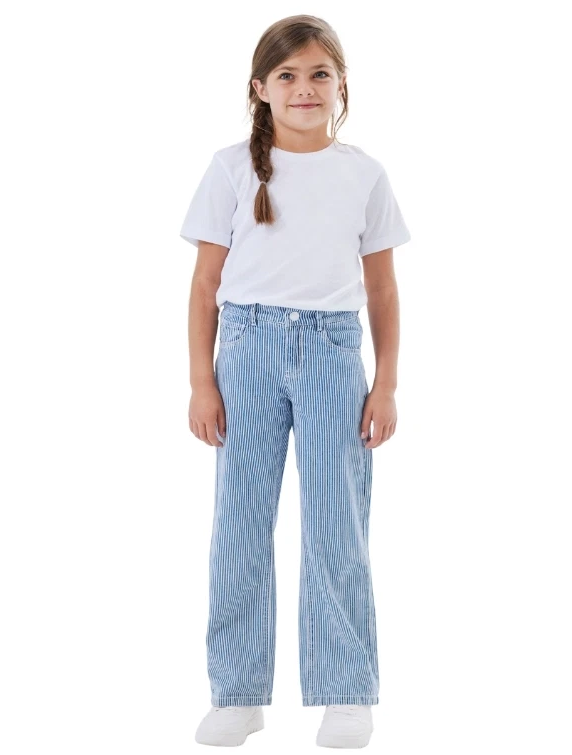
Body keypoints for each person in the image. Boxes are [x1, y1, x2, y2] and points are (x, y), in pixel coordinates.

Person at [180, 14, 410, 749]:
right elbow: (205, 286)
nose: (304, 88)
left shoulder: (363, 174)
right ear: (260, 88)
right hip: (246, 349)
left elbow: (382, 291)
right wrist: (201, 382)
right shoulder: (231, 169)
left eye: (319, 74)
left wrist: (386, 384)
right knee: (240, 524)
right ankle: (238, 692)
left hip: (333, 353)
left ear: (341, 84)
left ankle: (346, 691)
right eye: (287, 75)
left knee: (337, 522)